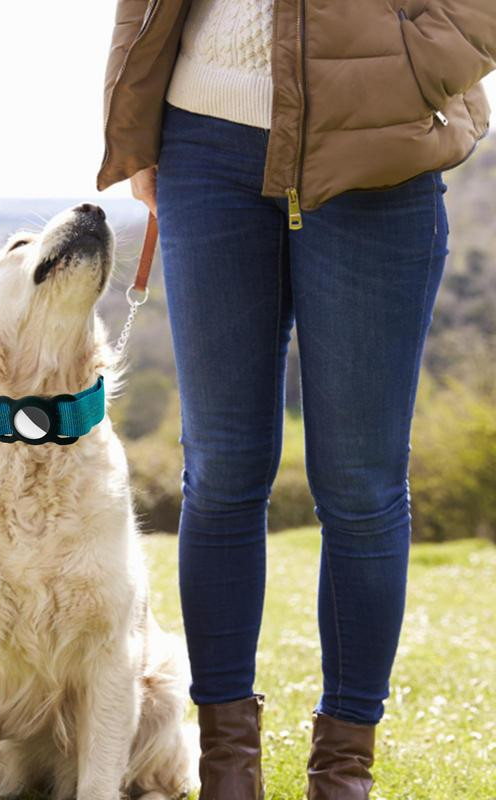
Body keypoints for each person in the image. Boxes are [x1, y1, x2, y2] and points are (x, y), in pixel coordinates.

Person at [97, 1, 495, 798]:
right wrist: (135, 121)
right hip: (204, 141)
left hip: (376, 143)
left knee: (361, 484)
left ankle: (343, 769)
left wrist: (415, 68)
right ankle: (228, 768)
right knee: (220, 472)